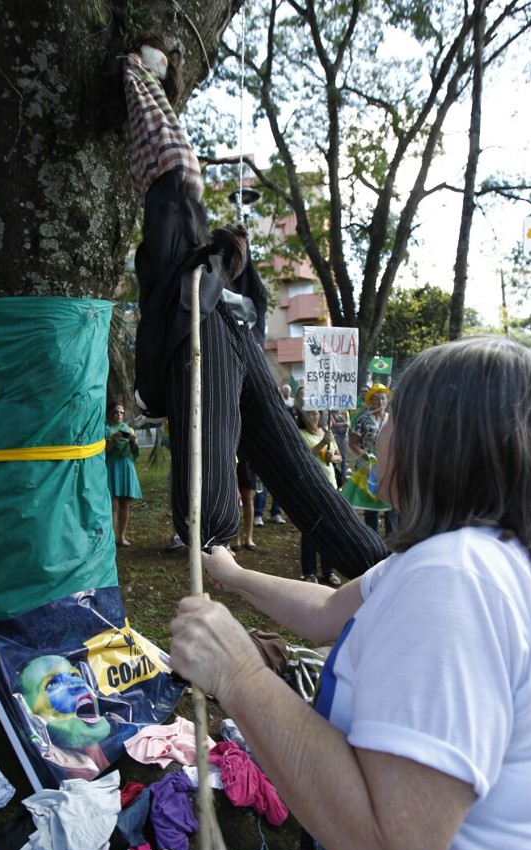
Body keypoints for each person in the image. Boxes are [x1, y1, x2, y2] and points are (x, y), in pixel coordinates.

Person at [170, 336, 531, 850]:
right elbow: (332, 608)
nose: (377, 431)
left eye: (392, 415)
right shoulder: (475, 558)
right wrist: (237, 577)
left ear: (438, 439)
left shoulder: (458, 582)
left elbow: (392, 849)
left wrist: (240, 675)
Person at [123, 41, 386, 580]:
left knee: (300, 473)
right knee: (216, 492)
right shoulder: (175, 216)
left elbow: (246, 296)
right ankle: (218, 555)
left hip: (238, 344)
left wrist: (234, 256)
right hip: (207, 344)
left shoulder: (200, 245)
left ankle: (377, 567)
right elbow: (173, 157)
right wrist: (141, 73)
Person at [297, 408, 342, 585]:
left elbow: (338, 457)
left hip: (331, 485)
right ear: (301, 416)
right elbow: (303, 456)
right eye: (308, 413)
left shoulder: (326, 432)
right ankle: (309, 572)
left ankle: (329, 570)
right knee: (310, 530)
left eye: (315, 413)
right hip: (311, 487)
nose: (312, 416)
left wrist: (333, 457)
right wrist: (323, 443)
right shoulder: (300, 433)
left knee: (330, 529)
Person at [347, 382, 393, 534]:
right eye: (375, 399)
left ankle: (392, 541)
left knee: (391, 503)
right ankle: (373, 539)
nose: (379, 402)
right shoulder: (364, 419)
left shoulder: (391, 419)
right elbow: (352, 443)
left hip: (388, 467)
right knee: (371, 505)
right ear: (370, 401)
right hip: (369, 468)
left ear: (386, 400)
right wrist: (362, 454)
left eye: (382, 398)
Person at [104, 400, 142, 546]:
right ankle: (111, 537)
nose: (119, 415)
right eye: (116, 412)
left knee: (125, 504)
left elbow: (135, 453)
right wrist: (113, 441)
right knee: (112, 504)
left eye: (121, 412)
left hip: (126, 466)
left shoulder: (127, 429)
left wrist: (133, 442)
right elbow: (103, 452)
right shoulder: (105, 429)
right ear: (110, 413)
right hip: (112, 466)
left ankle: (122, 536)